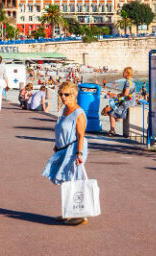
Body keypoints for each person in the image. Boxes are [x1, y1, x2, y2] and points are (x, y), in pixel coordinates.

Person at [41, 82, 90, 226]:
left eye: (66, 94)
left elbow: (81, 135)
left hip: (74, 149)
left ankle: (82, 214)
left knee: (73, 180)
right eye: (61, 94)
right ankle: (68, 213)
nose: (63, 97)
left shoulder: (78, 113)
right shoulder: (65, 110)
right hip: (63, 148)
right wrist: (57, 145)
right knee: (65, 181)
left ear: (74, 95)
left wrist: (79, 154)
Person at [101, 67, 135, 137]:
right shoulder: (132, 81)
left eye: (124, 72)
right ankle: (115, 124)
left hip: (127, 102)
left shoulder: (128, 82)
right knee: (112, 108)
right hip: (130, 101)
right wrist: (117, 95)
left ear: (127, 73)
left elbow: (126, 94)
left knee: (111, 113)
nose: (123, 73)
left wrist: (117, 95)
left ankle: (112, 130)